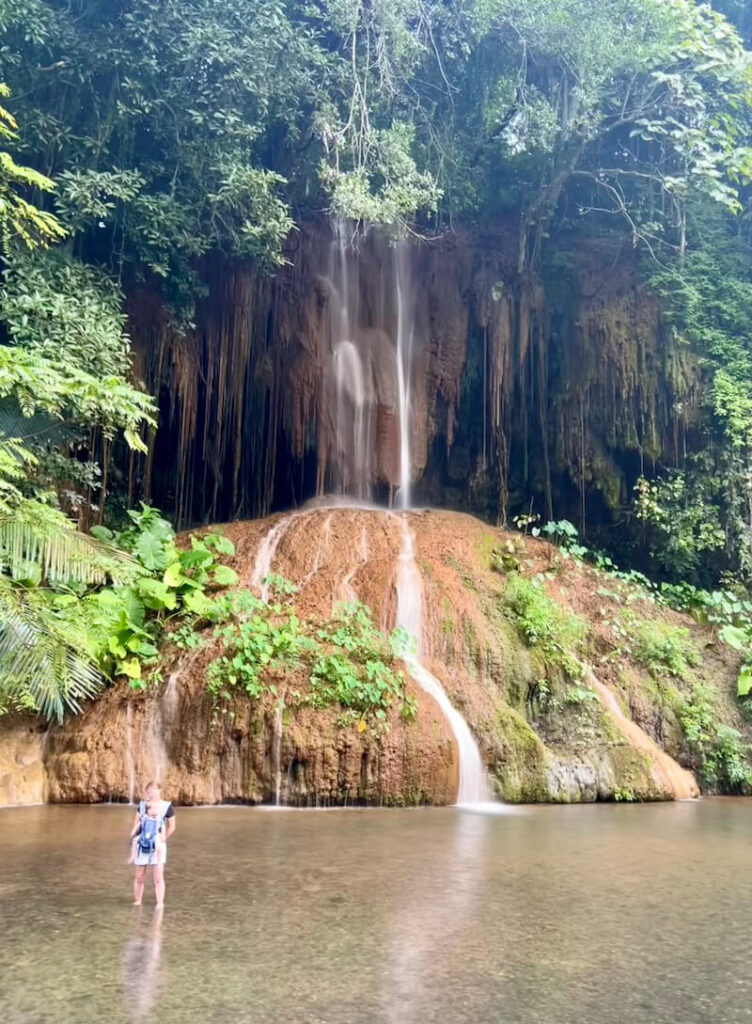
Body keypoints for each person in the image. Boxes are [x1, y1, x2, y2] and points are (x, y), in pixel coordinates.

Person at [129, 781, 175, 907]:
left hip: (157, 844)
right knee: (139, 876)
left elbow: (172, 826)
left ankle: (160, 903)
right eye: (148, 791)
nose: (149, 793)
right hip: (143, 843)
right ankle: (138, 901)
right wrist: (135, 837)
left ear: (159, 790)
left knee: (158, 877)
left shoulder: (167, 806)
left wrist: (164, 838)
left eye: (152, 790)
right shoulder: (142, 806)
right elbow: (137, 822)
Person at [128, 799, 166, 866]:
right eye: (154, 809)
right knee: (134, 841)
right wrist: (133, 832)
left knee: (158, 846)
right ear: (148, 811)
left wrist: (163, 835)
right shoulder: (144, 818)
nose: (156, 810)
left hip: (155, 835)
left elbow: (163, 826)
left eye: (157, 809)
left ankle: (159, 861)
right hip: (144, 834)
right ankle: (133, 856)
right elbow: (138, 824)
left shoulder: (158, 819)